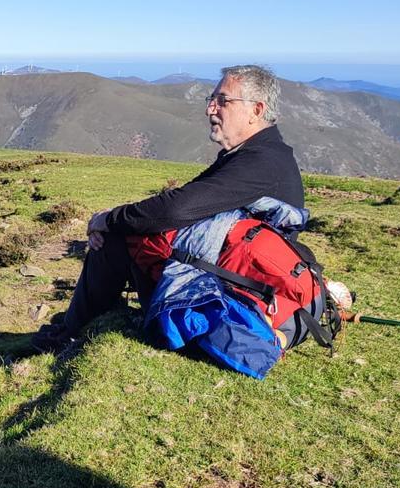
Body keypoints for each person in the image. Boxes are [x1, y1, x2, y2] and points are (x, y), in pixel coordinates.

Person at [32, 64, 305, 351]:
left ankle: (71, 333)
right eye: (211, 100)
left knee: (114, 240)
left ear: (256, 110)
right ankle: (90, 320)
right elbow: (185, 201)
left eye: (223, 101)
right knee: (128, 232)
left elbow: (176, 210)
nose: (210, 109)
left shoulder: (261, 162)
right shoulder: (255, 155)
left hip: (232, 293)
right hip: (230, 273)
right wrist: (117, 219)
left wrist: (109, 220)